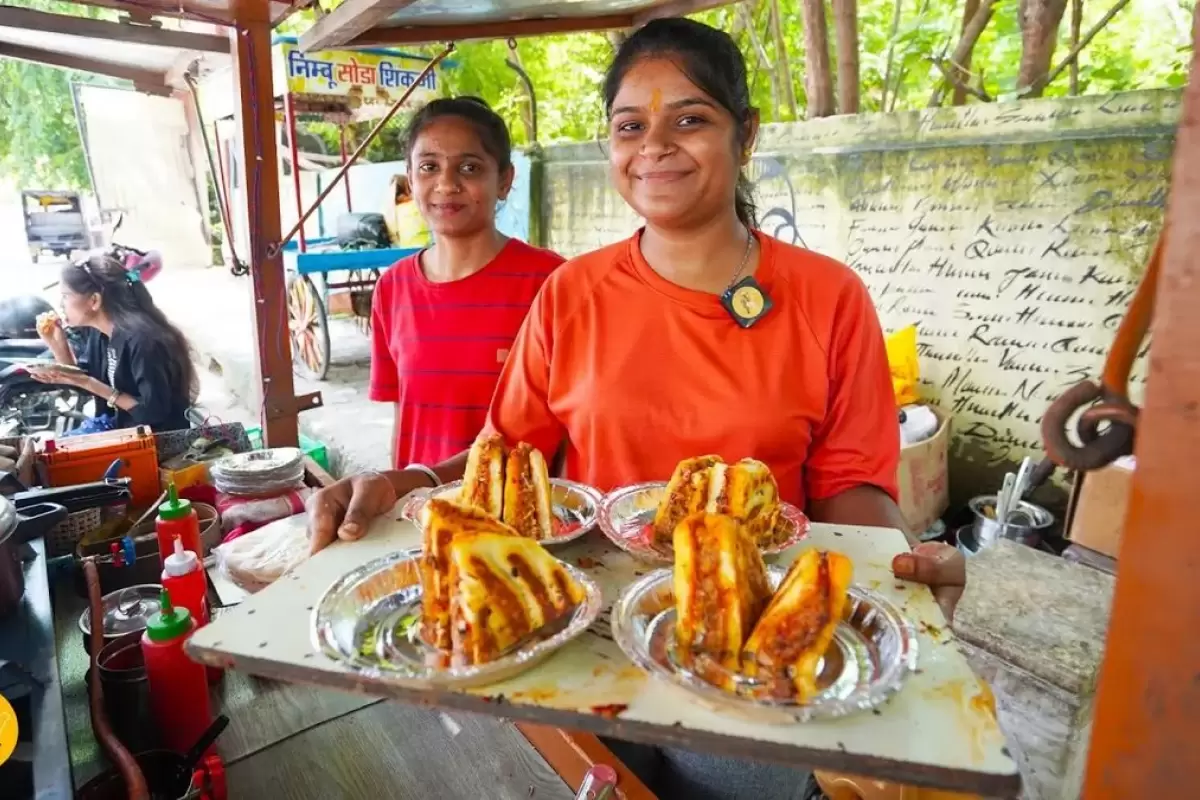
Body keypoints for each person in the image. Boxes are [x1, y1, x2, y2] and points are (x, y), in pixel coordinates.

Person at [308, 17, 966, 798]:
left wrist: (899, 573)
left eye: (690, 118)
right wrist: (406, 481)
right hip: (572, 637)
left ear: (745, 135)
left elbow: (850, 488)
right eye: (630, 125)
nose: (653, 146)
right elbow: (506, 461)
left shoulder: (830, 297)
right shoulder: (571, 294)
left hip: (736, 653)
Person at [369, 96, 565, 469]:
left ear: (504, 180)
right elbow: (404, 419)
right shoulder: (393, 289)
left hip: (522, 516)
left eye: (470, 168)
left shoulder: (551, 283)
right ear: (410, 180)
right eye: (429, 167)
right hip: (425, 515)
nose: (446, 184)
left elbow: (571, 426)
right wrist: (399, 497)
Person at [30, 254, 196, 433]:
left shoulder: (143, 341)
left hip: (157, 440)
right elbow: (86, 381)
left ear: (94, 301)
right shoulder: (99, 333)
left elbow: (152, 413)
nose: (61, 304)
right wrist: (57, 343)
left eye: (65, 296)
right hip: (122, 429)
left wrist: (89, 383)